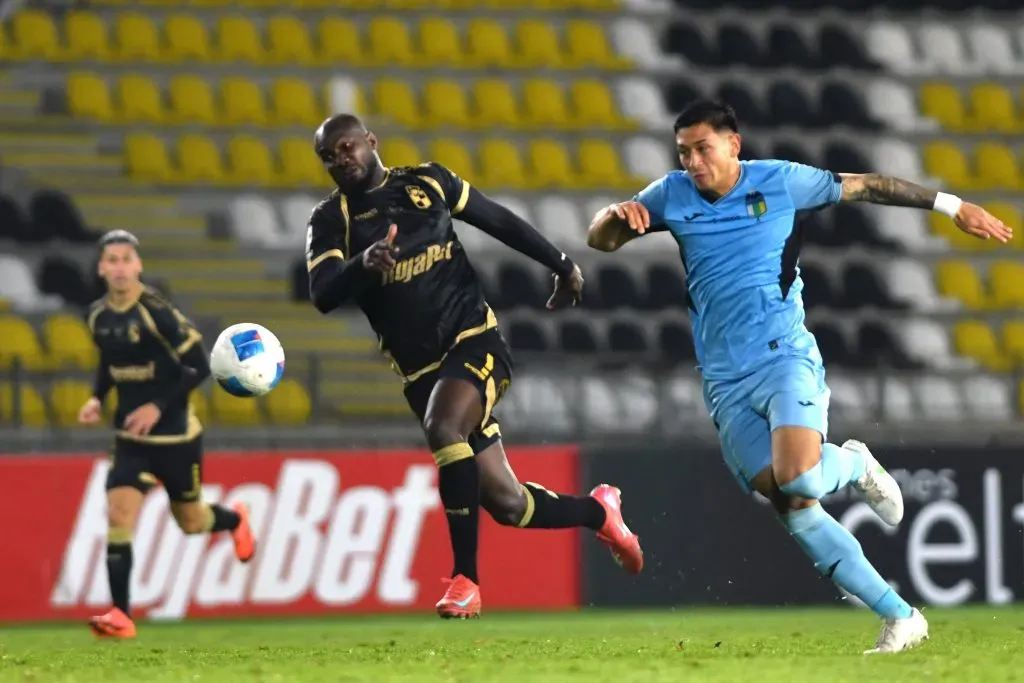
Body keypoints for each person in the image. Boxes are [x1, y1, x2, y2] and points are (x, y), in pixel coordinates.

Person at [586, 99, 1013, 654]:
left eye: (703, 148)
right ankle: (901, 617)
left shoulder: (782, 182)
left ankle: (855, 462)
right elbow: (602, 241)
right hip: (723, 380)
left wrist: (950, 205)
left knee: (801, 477)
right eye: (684, 152)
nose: (693, 162)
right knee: (790, 503)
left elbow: (867, 186)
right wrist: (615, 216)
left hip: (784, 354)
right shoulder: (670, 194)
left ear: (733, 144)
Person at [305, 114, 643, 619]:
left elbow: (497, 219)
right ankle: (600, 512)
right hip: (421, 375)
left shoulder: (428, 182)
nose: (340, 160)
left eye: (347, 147)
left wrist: (562, 263)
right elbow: (322, 293)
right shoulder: (331, 219)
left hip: (475, 341)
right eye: (329, 157)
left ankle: (466, 579)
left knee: (444, 427)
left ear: (371, 142)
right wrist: (363, 265)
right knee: (509, 505)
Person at [79, 230, 256, 638]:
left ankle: (233, 519)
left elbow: (199, 364)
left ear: (137, 266)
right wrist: (95, 397)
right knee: (118, 516)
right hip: (130, 440)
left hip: (176, 437)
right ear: (102, 268)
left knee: (192, 522)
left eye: (127, 259)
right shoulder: (97, 316)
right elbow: (110, 361)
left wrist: (157, 406)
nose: (120, 267)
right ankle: (121, 616)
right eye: (112, 260)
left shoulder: (156, 312)